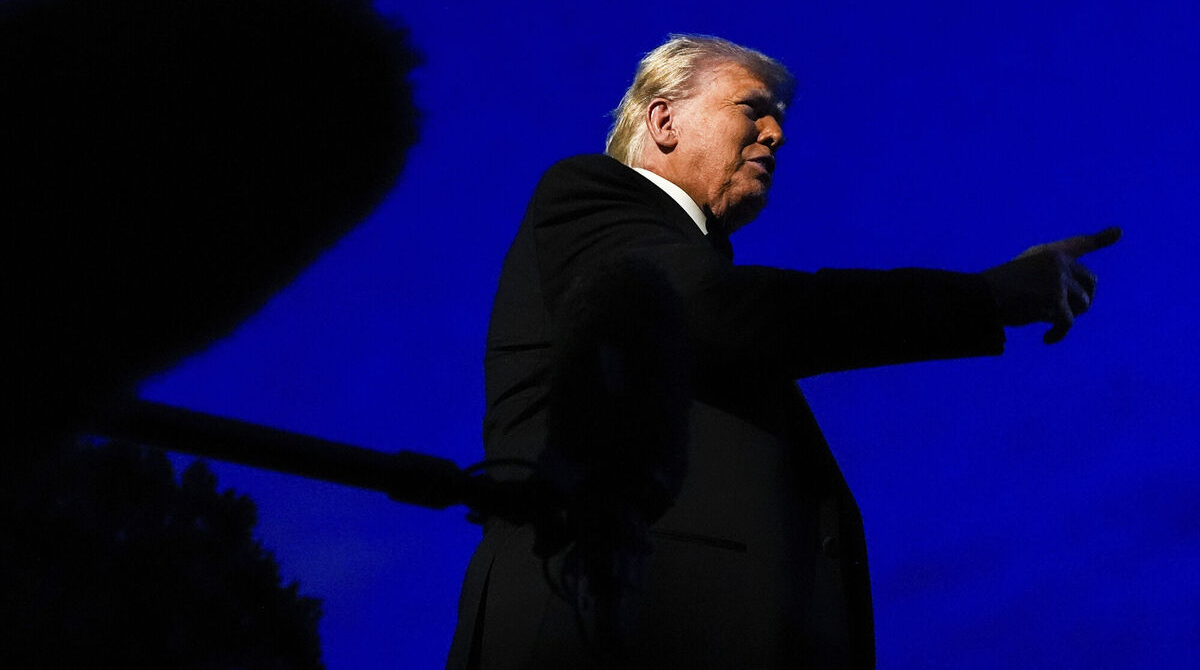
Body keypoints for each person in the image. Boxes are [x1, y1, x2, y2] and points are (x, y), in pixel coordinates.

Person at [446, 35, 1119, 669]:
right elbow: (718, 312)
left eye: (780, 119)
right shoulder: (589, 195)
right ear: (664, 120)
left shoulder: (700, 287)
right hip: (603, 627)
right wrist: (985, 297)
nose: (776, 133)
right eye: (753, 108)